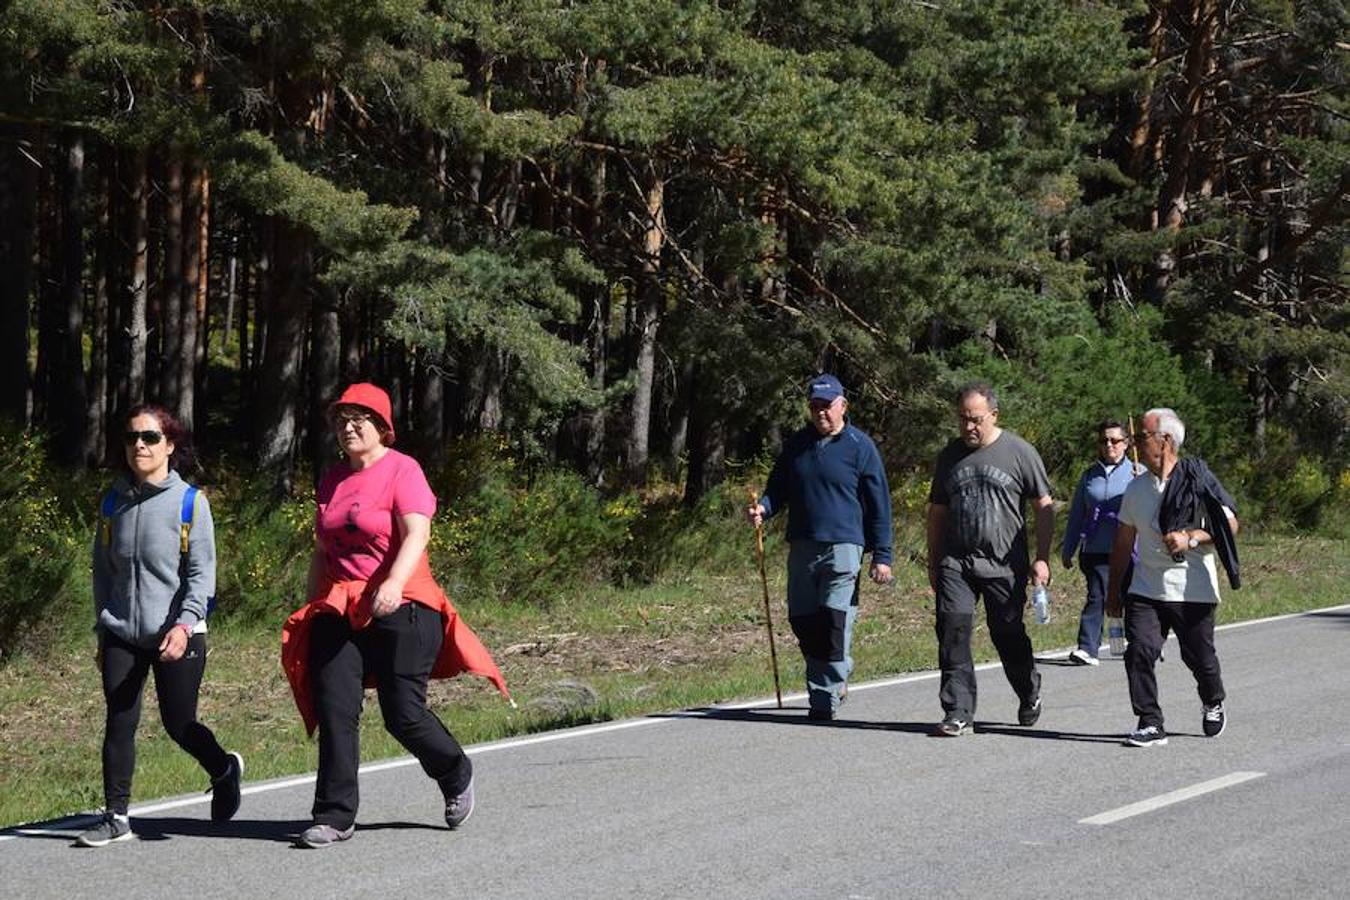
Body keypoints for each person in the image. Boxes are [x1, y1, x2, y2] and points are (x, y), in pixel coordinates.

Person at [282, 383, 509, 848]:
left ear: (382, 427)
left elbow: (416, 535)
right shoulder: (331, 479)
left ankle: (454, 769)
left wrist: (392, 583)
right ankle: (334, 814)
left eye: (359, 418)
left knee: (402, 714)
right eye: (342, 419)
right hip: (341, 606)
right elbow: (323, 550)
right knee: (336, 709)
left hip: (404, 603)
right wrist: (309, 606)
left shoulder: (403, 470)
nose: (348, 427)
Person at [78, 404, 242, 847]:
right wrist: (102, 631)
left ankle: (224, 769)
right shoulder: (113, 502)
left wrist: (185, 625)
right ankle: (116, 815)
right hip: (121, 631)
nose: (140, 446)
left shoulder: (190, 503)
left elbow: (201, 575)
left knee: (179, 724)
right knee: (119, 718)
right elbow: (102, 572)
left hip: (177, 631)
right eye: (132, 437)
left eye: (150, 438)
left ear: (169, 445)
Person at [747, 374, 894, 721]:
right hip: (802, 544)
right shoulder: (797, 445)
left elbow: (879, 504)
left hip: (845, 545)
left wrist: (882, 555)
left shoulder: (860, 446)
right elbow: (777, 488)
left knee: (833, 619)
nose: (821, 413)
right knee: (803, 620)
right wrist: (764, 508)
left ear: (843, 405)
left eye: (827, 406)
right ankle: (838, 670)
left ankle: (823, 696)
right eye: (814, 407)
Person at [1106, 407, 1239, 747]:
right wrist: (1114, 591)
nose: (1135, 443)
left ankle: (1213, 699)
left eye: (1142, 437)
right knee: (1140, 651)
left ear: (1165, 441)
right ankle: (1150, 721)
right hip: (1146, 588)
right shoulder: (1136, 489)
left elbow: (1231, 524)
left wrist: (1191, 537)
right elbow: (1123, 542)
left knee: (1199, 657)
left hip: (1192, 588)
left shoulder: (1197, 480)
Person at [926, 383, 1054, 736]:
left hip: (1004, 565)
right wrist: (934, 560)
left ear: (994, 415)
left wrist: (1042, 558)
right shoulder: (949, 456)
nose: (968, 427)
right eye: (962, 419)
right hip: (957, 563)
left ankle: (1028, 691)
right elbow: (937, 510)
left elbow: (1044, 506)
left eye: (975, 419)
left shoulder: (1019, 452)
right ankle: (958, 710)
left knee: (1007, 634)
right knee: (953, 630)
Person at [1060, 419, 1140, 665]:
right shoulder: (1089, 476)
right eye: (1104, 440)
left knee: (1131, 598)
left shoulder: (1139, 473)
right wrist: (1068, 548)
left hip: (1129, 549)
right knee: (1098, 595)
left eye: (1115, 440)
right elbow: (1076, 515)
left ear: (1126, 444)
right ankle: (1087, 648)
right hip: (1095, 547)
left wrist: (1146, 483)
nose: (1109, 445)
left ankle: (1137, 646)